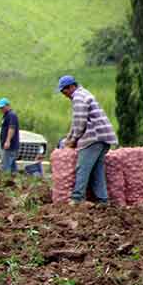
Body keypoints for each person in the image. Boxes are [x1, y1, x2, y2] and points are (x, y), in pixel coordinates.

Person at [58, 75, 117, 205]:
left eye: (64, 91)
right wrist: (69, 136)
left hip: (94, 137)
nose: (64, 95)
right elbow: (76, 122)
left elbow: (80, 123)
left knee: (82, 167)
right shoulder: (84, 94)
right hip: (103, 136)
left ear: (71, 87)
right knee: (97, 170)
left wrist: (73, 140)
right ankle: (103, 200)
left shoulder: (78, 98)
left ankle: (77, 198)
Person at [0, 97, 20, 175]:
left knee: (5, 166)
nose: (1, 109)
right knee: (12, 167)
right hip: (7, 145)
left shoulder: (11, 115)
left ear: (8, 105)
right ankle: (15, 182)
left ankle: (4, 181)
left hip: (10, 146)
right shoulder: (6, 115)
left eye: (2, 107)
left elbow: (11, 128)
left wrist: (7, 141)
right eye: (0, 108)